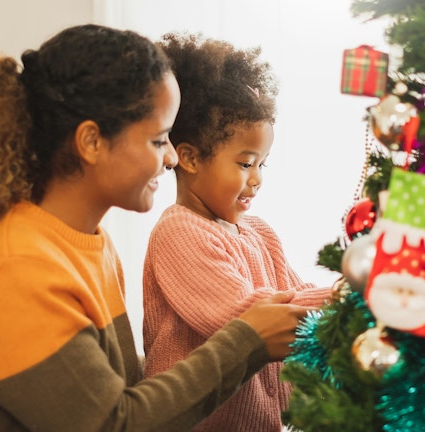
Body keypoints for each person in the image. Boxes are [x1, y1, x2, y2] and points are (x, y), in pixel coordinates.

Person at [0, 24, 311, 432]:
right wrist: (246, 342)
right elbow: (114, 425)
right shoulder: (19, 268)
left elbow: (105, 388)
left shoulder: (91, 244)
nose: (172, 158)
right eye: (158, 140)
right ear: (91, 142)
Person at [142, 32, 332, 432]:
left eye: (264, 163)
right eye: (246, 164)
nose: (258, 179)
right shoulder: (179, 232)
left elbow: (298, 299)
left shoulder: (260, 233)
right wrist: (347, 297)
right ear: (190, 158)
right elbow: (248, 317)